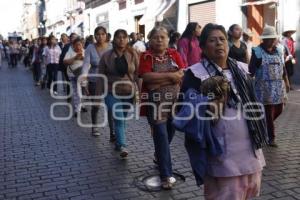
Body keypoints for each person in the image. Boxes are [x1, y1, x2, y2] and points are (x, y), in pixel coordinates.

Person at [179, 23, 267, 199]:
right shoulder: (194, 74)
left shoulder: (242, 69)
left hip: (250, 146)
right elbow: (182, 110)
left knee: (248, 191)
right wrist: (206, 104)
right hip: (221, 151)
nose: (219, 43)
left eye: (222, 39)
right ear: (203, 47)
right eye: (212, 40)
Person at [139, 26, 185, 189]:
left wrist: (161, 80)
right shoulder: (146, 57)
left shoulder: (174, 54)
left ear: (168, 40)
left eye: (163, 37)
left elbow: (182, 73)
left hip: (174, 103)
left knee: (169, 133)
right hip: (156, 104)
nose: (159, 40)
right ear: (150, 40)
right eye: (155, 37)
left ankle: (159, 155)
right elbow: (146, 78)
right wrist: (171, 77)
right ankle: (166, 175)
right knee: (161, 138)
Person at [96, 29, 139, 158]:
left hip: (128, 92)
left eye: (124, 37)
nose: (121, 39)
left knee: (123, 118)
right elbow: (100, 76)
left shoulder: (133, 54)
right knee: (119, 118)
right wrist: (97, 96)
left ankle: (118, 142)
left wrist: (140, 92)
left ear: (127, 39)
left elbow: (138, 74)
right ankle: (122, 145)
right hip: (111, 91)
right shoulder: (107, 56)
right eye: (118, 37)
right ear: (114, 39)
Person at [249, 25, 290, 147]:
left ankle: (262, 126)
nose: (273, 41)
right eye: (270, 39)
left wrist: (286, 81)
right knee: (268, 112)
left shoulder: (278, 51)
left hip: (278, 86)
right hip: (264, 88)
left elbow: (283, 67)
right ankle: (271, 138)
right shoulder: (257, 52)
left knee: (279, 109)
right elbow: (251, 70)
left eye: (274, 38)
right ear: (264, 39)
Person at [81, 26, 115, 139]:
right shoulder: (90, 47)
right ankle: (94, 126)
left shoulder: (111, 47)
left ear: (106, 35)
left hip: (110, 81)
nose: (100, 36)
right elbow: (85, 66)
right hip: (94, 80)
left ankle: (113, 132)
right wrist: (84, 83)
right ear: (94, 36)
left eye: (102, 34)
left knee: (111, 106)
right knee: (96, 105)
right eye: (98, 34)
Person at [63, 37, 84, 117]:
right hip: (73, 75)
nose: (78, 47)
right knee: (77, 92)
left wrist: (83, 58)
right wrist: (75, 58)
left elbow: (90, 63)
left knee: (82, 92)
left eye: (80, 45)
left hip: (83, 75)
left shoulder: (85, 52)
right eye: (77, 45)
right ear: (73, 46)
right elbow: (65, 62)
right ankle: (77, 110)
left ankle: (82, 105)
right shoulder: (70, 52)